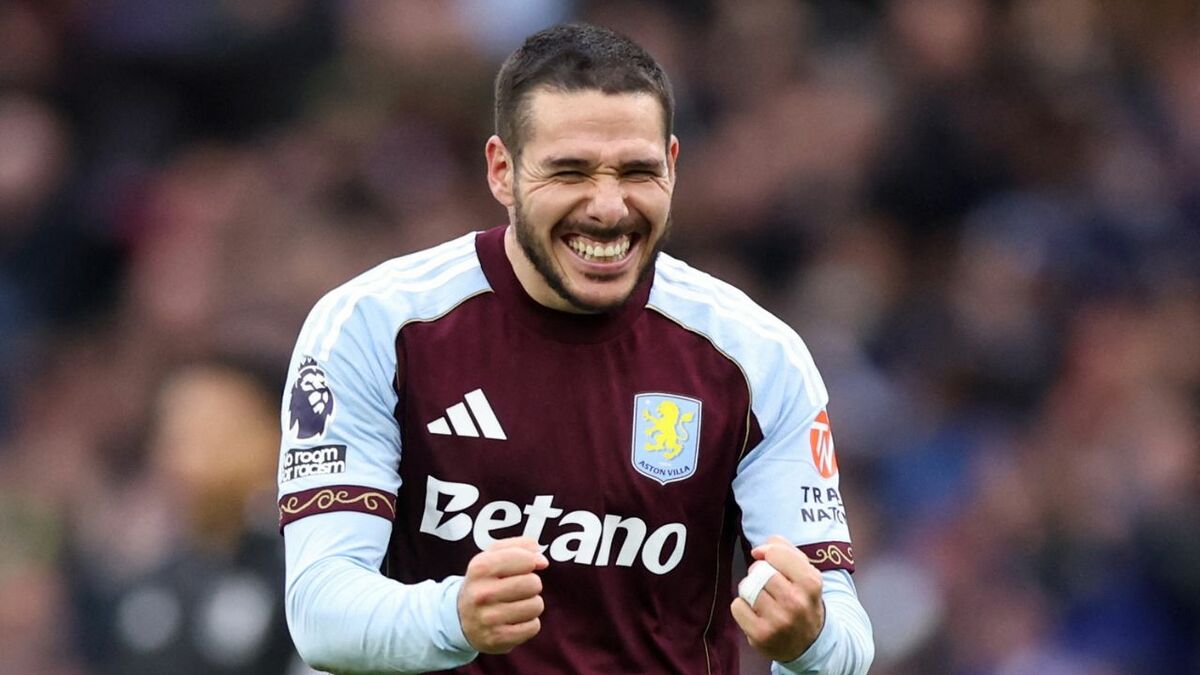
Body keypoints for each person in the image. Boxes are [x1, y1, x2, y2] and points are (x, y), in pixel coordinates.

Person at [278, 22, 873, 674]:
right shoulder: (376, 326)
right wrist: (453, 617)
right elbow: (320, 611)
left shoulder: (755, 357)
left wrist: (810, 638)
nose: (609, 207)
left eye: (638, 171)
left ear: (673, 165)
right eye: (570, 171)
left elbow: (844, 634)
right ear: (502, 171)